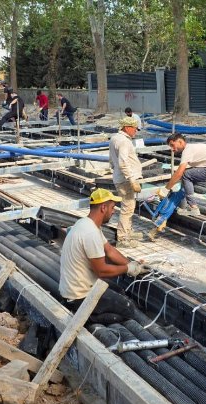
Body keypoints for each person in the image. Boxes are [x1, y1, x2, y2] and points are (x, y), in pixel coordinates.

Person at [59, 188, 148, 323]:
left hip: (78, 288)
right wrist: (128, 269)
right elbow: (101, 271)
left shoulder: (86, 223)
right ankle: (87, 318)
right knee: (128, 309)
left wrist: (133, 264)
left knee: (119, 291)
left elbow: (110, 251)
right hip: (79, 296)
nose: (113, 211)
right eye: (112, 207)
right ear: (103, 208)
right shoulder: (90, 233)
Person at [157, 133, 206, 216]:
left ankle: (193, 208)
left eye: (172, 145)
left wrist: (166, 189)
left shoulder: (187, 150)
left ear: (180, 142)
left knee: (186, 175)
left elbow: (179, 173)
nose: (172, 149)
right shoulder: (193, 148)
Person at [108, 116, 143, 248]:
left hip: (121, 177)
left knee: (129, 206)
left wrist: (115, 170)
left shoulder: (115, 138)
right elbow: (123, 162)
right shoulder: (124, 141)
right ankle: (122, 238)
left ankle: (128, 231)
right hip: (125, 180)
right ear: (127, 128)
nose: (136, 131)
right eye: (134, 128)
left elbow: (112, 160)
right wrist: (132, 180)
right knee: (127, 208)